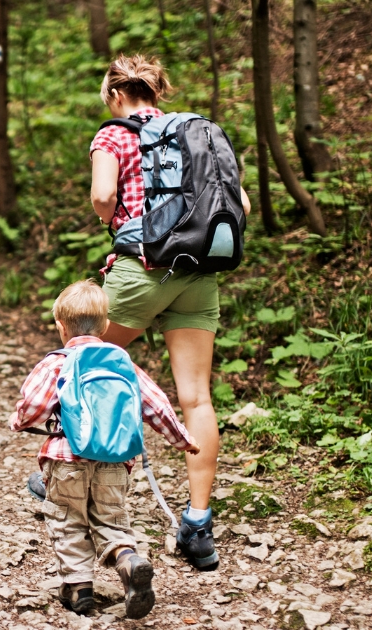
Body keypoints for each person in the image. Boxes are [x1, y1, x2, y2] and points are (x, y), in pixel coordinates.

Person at [89, 53, 251, 571]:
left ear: (116, 94)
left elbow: (102, 194)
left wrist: (110, 217)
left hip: (141, 268)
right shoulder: (194, 132)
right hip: (199, 273)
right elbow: (241, 206)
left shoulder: (112, 135)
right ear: (158, 91)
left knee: (85, 362)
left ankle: (66, 476)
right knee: (197, 398)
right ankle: (198, 526)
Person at [9, 280, 200, 617]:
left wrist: (18, 421)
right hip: (116, 461)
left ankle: (79, 588)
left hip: (66, 459)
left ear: (60, 326)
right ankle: (127, 559)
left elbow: (33, 405)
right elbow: (157, 404)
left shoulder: (57, 362)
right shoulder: (121, 362)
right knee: (111, 519)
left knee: (67, 520)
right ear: (107, 325)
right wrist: (182, 439)